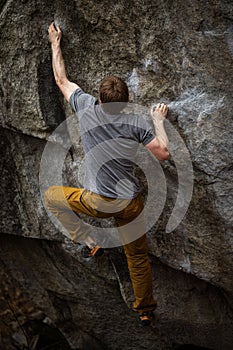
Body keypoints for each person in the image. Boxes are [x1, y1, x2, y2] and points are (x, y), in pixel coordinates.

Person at [45, 22, 170, 326]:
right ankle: (144, 309)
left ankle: (89, 241)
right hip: (129, 204)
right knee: (137, 259)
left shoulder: (86, 108)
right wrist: (158, 120)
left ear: (99, 99)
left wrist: (55, 42)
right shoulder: (135, 123)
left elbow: (61, 80)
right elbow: (163, 152)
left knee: (52, 197)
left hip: (97, 201)